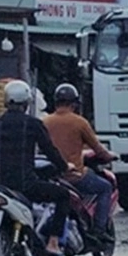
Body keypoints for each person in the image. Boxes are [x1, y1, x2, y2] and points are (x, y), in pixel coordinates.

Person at [0, 81, 74, 256]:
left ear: (7, 101)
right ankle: (53, 243)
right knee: (63, 196)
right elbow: (49, 150)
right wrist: (65, 167)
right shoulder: (33, 124)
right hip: (25, 185)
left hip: (0, 186)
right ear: (26, 103)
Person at [42, 83, 117, 242]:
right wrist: (109, 156)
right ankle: (99, 230)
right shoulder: (80, 122)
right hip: (74, 176)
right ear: (74, 104)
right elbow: (97, 149)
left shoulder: (45, 121)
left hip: (51, 176)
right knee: (105, 187)